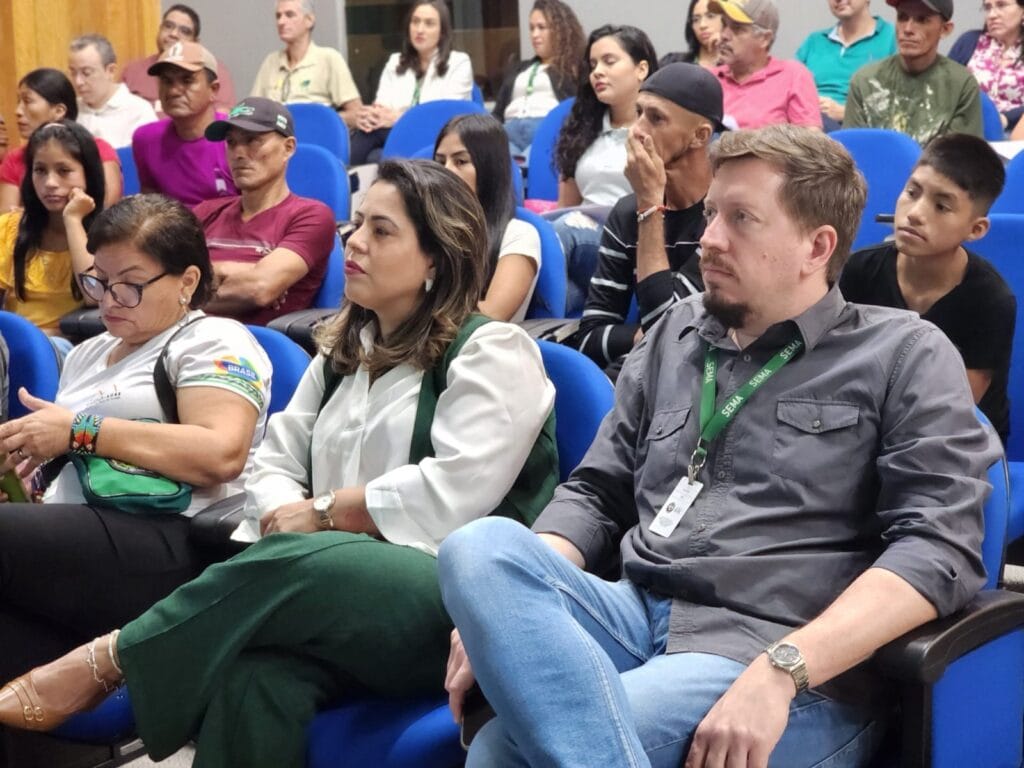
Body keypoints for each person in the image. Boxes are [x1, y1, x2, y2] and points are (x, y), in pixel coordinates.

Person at [438, 123, 1000, 768]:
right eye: (711, 213)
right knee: (479, 549)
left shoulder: (903, 352)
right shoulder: (676, 332)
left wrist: (782, 670)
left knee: (501, 751)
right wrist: (503, 616)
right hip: (631, 611)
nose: (708, 239)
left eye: (741, 219)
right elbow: (596, 493)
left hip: (775, 648)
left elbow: (938, 549)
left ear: (816, 247)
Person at [0, 160, 557, 768]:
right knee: (255, 683)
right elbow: (273, 463)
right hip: (320, 594)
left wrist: (321, 515)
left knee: (318, 560)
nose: (356, 242)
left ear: (436, 257)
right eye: (357, 224)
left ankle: (109, 660)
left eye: (382, 230)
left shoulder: (494, 350)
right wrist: (288, 518)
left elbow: (453, 492)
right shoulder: (344, 350)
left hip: (453, 604)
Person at [0, 192, 272, 683]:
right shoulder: (90, 352)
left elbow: (221, 453)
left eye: (129, 286)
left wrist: (80, 432)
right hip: (85, 546)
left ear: (187, 281)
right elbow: (77, 459)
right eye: (99, 282)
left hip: (172, 542)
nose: (107, 300)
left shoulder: (212, 340)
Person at [840, 133, 1015, 443]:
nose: (916, 213)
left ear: (976, 229)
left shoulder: (990, 301)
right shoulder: (857, 272)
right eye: (912, 192)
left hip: (957, 439)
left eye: (941, 206)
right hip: (865, 428)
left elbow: (953, 409)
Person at [568, 63, 720, 378]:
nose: (637, 129)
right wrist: (640, 336)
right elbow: (589, 337)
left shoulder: (722, 215)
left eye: (656, 118)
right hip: (640, 373)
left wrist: (650, 205)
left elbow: (669, 332)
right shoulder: (627, 212)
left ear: (699, 136)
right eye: (638, 112)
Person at [197, 97, 336, 325]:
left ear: (288, 148)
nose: (239, 153)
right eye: (231, 142)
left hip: (253, 351)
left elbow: (258, 288)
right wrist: (243, 270)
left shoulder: (312, 216)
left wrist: (190, 285)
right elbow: (160, 275)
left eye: (253, 140)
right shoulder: (206, 211)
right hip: (183, 340)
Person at [553, 24, 658, 316]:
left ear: (641, 69)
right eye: (593, 64)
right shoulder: (581, 130)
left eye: (609, 62)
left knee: (558, 234)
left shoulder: (658, 130)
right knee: (565, 290)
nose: (597, 71)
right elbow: (566, 205)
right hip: (578, 233)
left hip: (630, 238)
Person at [0, 122, 105, 337]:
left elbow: (94, 295)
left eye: (64, 171)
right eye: (40, 170)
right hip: (12, 346)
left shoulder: (109, 234)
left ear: (88, 173)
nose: (50, 183)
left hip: (70, 348)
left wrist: (73, 219)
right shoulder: (9, 228)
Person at [434, 114, 540, 322]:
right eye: (439, 162)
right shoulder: (426, 229)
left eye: (461, 161)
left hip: (476, 348)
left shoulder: (519, 234)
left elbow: (491, 316)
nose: (446, 171)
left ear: (489, 168)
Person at [350, 0, 474, 165]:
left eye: (429, 24)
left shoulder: (459, 62)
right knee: (369, 132)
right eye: (415, 22)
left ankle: (344, 182)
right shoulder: (395, 61)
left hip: (439, 136)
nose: (419, 29)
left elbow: (443, 115)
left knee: (373, 145)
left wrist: (397, 117)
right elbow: (382, 107)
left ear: (442, 32)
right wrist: (371, 117)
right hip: (396, 134)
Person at [845, 0, 984, 144]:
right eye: (902, 17)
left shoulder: (961, 84)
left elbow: (960, 159)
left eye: (922, 20)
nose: (908, 29)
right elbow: (852, 153)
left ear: (945, 30)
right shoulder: (865, 81)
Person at [132, 41, 238, 208]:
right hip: (174, 231)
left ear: (214, 90)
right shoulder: (146, 139)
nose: (174, 91)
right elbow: (151, 211)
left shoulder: (237, 138)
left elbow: (257, 215)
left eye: (187, 80)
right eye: (167, 81)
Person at [0, 69, 122, 213]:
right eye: (39, 170)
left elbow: (105, 205)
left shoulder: (97, 149)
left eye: (27, 101)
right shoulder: (15, 157)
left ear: (59, 111)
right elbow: (7, 215)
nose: (18, 111)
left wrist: (29, 213)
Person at [492, 0, 585, 158]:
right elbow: (498, 112)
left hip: (546, 130)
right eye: (532, 28)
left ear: (560, 30)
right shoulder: (518, 68)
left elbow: (579, 110)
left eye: (541, 27)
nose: (535, 34)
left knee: (531, 166)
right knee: (505, 168)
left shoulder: (573, 68)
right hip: (508, 132)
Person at [710, 0, 822, 130]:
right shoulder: (709, 79)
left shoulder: (793, 76)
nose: (724, 35)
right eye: (724, 25)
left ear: (765, 39)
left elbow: (810, 144)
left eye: (737, 28)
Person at [250, 0, 363, 126]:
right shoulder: (271, 62)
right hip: (275, 139)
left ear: (309, 20)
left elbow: (356, 114)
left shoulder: (328, 59)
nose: (281, 22)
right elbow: (253, 112)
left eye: (289, 14)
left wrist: (318, 120)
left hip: (315, 136)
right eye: (278, 16)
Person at [796, 0, 897, 131]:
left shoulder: (893, 38)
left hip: (856, 129)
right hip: (807, 123)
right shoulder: (814, 41)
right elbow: (789, 87)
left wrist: (845, 113)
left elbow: (902, 103)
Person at [121, 4, 238, 115]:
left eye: (184, 31)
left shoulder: (213, 70)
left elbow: (222, 115)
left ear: (195, 42)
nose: (174, 34)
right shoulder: (133, 71)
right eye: (168, 26)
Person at [68, 34, 158, 149]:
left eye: (86, 73)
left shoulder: (139, 111)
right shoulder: (71, 110)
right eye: (73, 73)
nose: (78, 82)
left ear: (110, 71)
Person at [950, 0, 1024, 132]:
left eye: (1001, 5)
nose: (992, 15)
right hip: (969, 130)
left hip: (1017, 133)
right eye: (988, 8)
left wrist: (1006, 119)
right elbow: (944, 88)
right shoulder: (969, 41)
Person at [660, 0, 724, 70]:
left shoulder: (734, 67)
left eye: (710, 16)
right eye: (696, 19)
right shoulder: (673, 62)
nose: (702, 25)